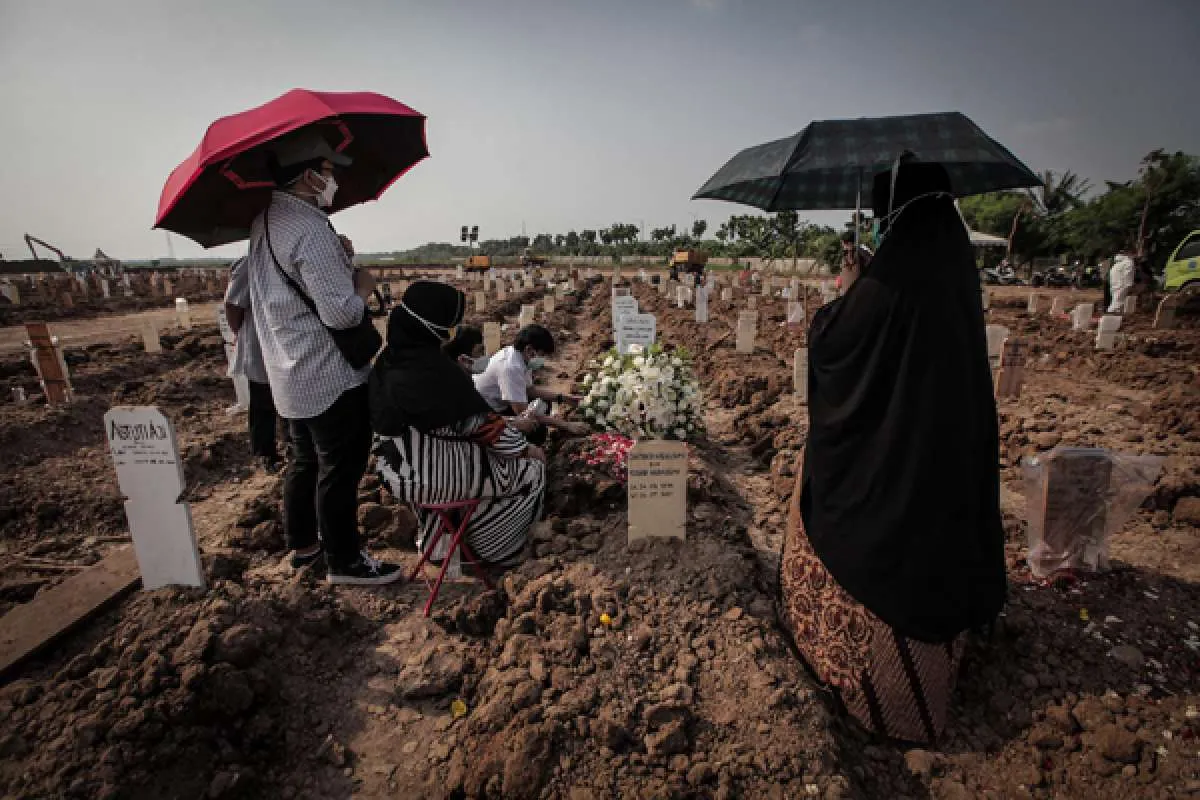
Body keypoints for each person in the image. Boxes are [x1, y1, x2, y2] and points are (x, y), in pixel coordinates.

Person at [779, 160, 1006, 744]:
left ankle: (871, 680)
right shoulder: (951, 263)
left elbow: (835, 342)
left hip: (893, 469)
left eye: (886, 216)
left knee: (872, 530)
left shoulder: (890, 279)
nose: (882, 226)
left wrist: (852, 291)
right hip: (941, 449)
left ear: (897, 212)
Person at [246, 129, 399, 584]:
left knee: (303, 460)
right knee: (340, 467)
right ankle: (346, 561)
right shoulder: (310, 228)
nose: (334, 182)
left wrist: (336, 256)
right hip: (327, 373)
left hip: (288, 371)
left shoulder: (266, 220)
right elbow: (341, 313)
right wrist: (363, 287)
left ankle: (305, 548)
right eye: (329, 172)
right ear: (310, 177)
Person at [371, 282, 546, 567]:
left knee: (460, 466)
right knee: (531, 472)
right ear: (433, 327)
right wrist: (527, 450)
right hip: (438, 479)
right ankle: (497, 551)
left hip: (398, 474)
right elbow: (484, 428)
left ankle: (438, 546)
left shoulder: (386, 362)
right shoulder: (439, 373)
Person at [472, 324, 585, 443]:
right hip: (488, 414)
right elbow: (522, 413)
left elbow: (530, 390)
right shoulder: (510, 367)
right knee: (535, 429)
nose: (542, 359)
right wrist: (566, 425)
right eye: (541, 355)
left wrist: (563, 398)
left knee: (543, 402)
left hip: (505, 402)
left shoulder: (520, 356)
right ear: (529, 349)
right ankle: (526, 451)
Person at [223, 256, 282, 471]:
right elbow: (233, 304)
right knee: (263, 400)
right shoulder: (251, 263)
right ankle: (266, 453)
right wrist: (241, 332)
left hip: (291, 341)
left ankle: (291, 447)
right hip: (261, 342)